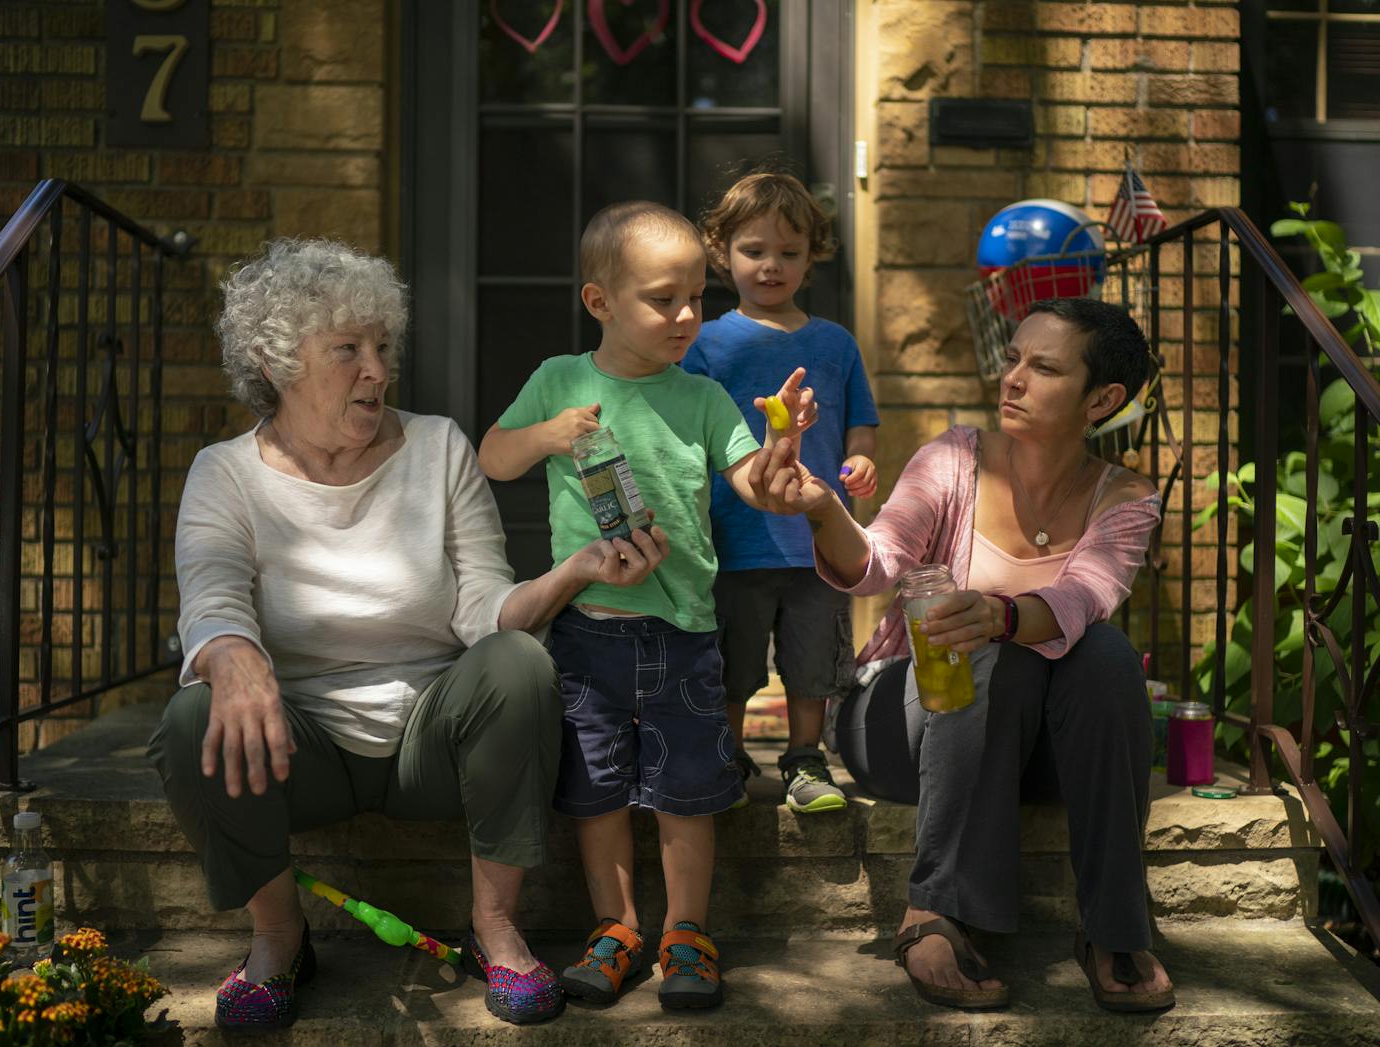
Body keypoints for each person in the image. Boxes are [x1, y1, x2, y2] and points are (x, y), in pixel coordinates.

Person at [147, 238, 671, 1030]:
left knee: (518, 663)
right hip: (300, 750)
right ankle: (279, 934)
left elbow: (484, 609)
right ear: (278, 360)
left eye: (382, 347)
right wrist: (232, 653)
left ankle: (496, 925)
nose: (377, 370)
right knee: (191, 715)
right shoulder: (226, 472)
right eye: (348, 350)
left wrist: (577, 571)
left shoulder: (438, 447)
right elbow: (212, 596)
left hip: (434, 739)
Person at [748, 296, 1176, 1013]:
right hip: (901, 720)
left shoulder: (1124, 499)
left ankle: (1116, 926)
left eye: (1043, 367)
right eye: (1013, 357)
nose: (1012, 378)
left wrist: (1003, 612)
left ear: (1101, 398)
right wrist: (824, 507)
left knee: (1101, 653)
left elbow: (1084, 598)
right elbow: (880, 562)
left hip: (1031, 746)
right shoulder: (953, 457)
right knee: (983, 646)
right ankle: (934, 909)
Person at [477, 202, 814, 1010]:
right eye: (664, 299)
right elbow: (492, 454)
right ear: (600, 303)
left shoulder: (701, 397)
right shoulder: (562, 380)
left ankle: (687, 932)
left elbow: (752, 485)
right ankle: (618, 925)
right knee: (597, 793)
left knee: (686, 792)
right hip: (586, 632)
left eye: (698, 296)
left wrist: (780, 454)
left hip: (685, 631)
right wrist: (547, 434)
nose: (688, 315)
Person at [683, 171, 878, 814]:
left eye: (789, 253)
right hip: (733, 536)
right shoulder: (703, 345)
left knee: (812, 658)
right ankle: (725, 757)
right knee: (731, 658)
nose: (772, 266)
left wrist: (857, 462)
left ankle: (804, 759)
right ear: (721, 251)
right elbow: (686, 434)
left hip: (817, 539)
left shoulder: (834, 343)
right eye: (754, 251)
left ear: (811, 257)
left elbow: (861, 424)